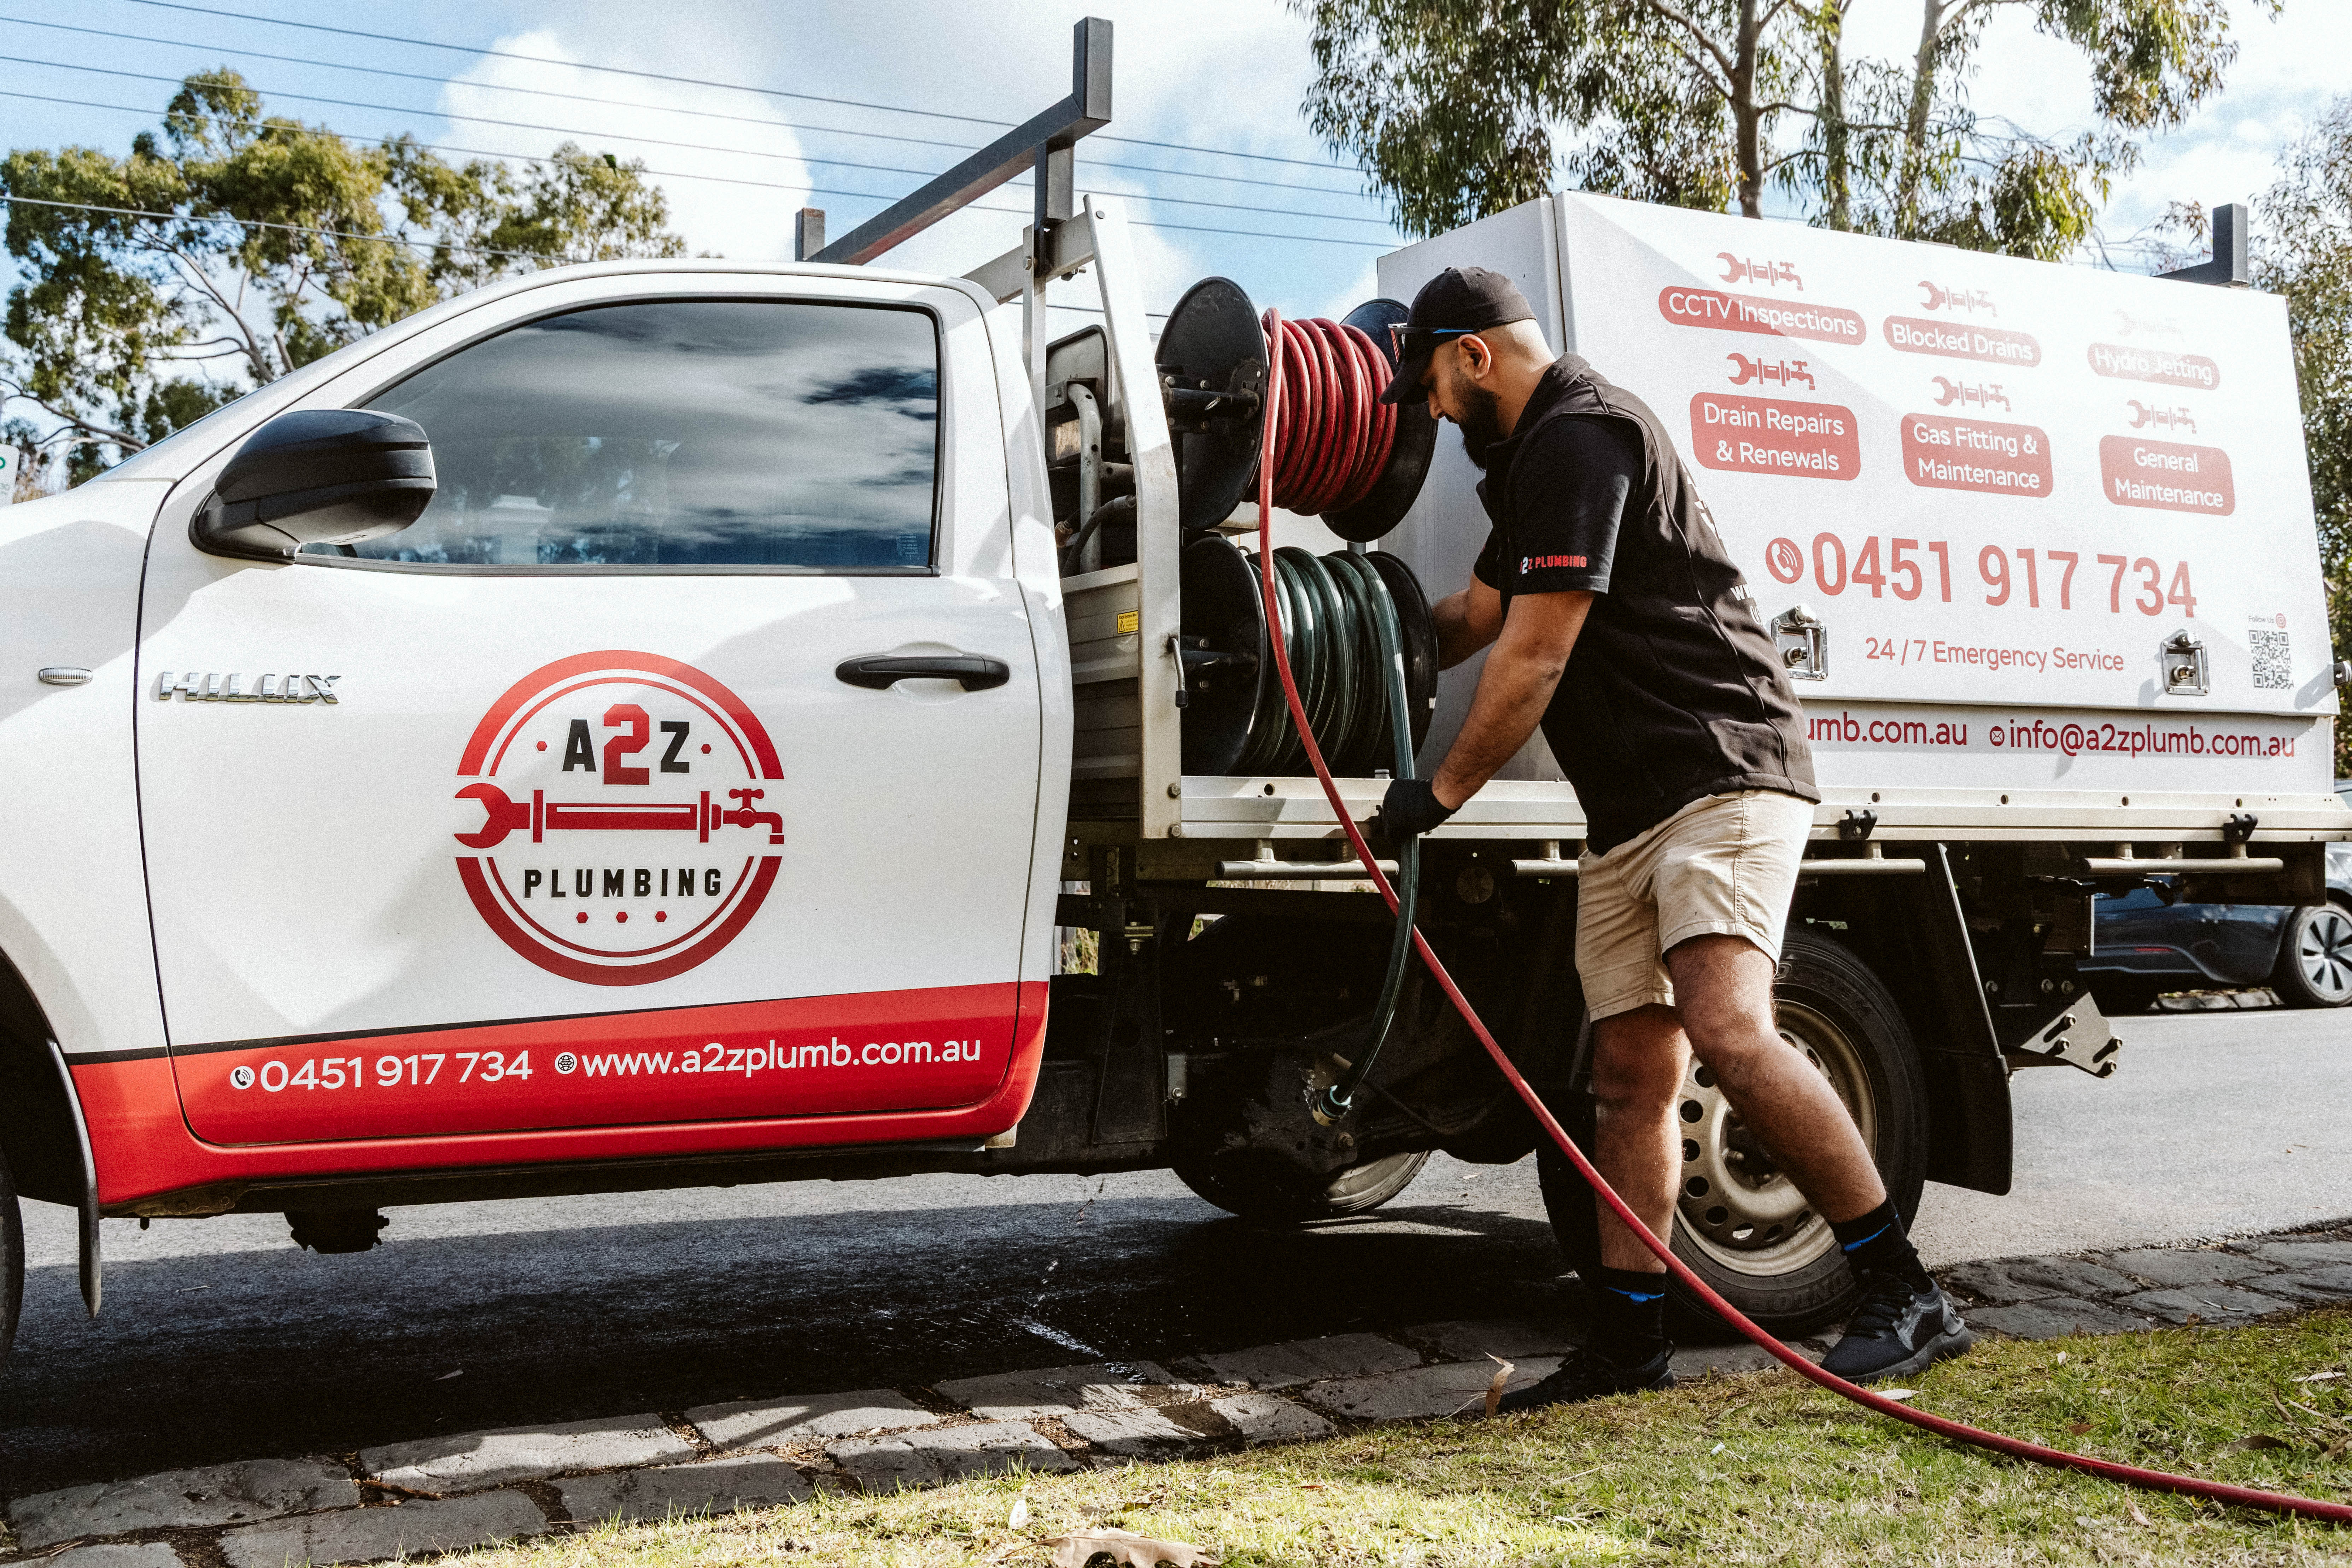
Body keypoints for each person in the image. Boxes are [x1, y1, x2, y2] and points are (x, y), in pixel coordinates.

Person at [1370, 267, 1972, 1409]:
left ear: (1476, 354)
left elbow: (1535, 655)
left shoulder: (1584, 437)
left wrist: (1437, 794)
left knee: (1730, 1031)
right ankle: (1629, 1348)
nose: (1434, 413)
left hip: (1719, 771)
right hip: (1631, 809)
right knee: (1628, 1078)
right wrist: (1353, 634)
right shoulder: (1535, 469)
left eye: (1435, 385)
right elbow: (1477, 617)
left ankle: (1907, 1292)